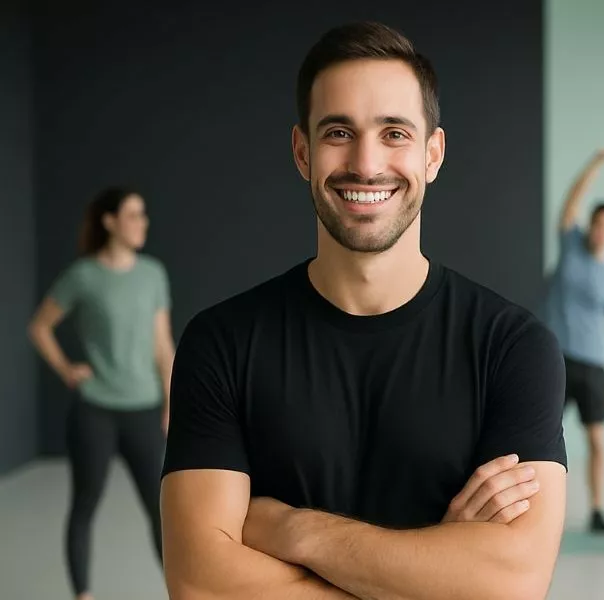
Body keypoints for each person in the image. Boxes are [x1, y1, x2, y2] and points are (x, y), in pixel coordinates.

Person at [159, 22, 568, 600]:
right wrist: (435, 574)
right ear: (303, 153)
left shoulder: (514, 347)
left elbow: (514, 581)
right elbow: (201, 584)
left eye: (394, 133)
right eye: (338, 132)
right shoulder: (221, 343)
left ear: (433, 154)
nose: (366, 163)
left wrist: (296, 529)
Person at [27, 187, 175, 600]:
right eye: (133, 214)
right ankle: (83, 595)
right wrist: (66, 369)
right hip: (96, 410)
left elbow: (162, 344)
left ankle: (180, 592)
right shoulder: (83, 276)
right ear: (110, 222)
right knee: (84, 506)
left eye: (143, 214)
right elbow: (39, 327)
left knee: (161, 512)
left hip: (145, 410)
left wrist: (170, 399)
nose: (142, 222)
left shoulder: (153, 273)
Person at [542, 147, 604, 534]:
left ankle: (596, 508)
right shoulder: (570, 246)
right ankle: (539, 512)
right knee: (542, 438)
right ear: (590, 226)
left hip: (593, 364)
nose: (602, 231)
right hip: (555, 358)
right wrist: (597, 161)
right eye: (598, 224)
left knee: (597, 440)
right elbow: (571, 202)